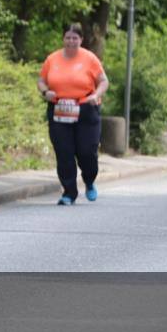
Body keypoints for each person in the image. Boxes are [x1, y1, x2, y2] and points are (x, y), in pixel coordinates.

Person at [37, 23, 109, 206]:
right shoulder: (52, 59)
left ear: (81, 40)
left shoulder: (89, 59)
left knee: (87, 151)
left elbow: (103, 81)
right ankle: (69, 192)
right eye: (68, 38)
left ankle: (90, 180)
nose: (71, 41)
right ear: (63, 39)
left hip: (86, 108)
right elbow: (41, 81)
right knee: (64, 152)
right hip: (59, 108)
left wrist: (96, 95)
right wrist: (46, 92)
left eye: (75, 38)